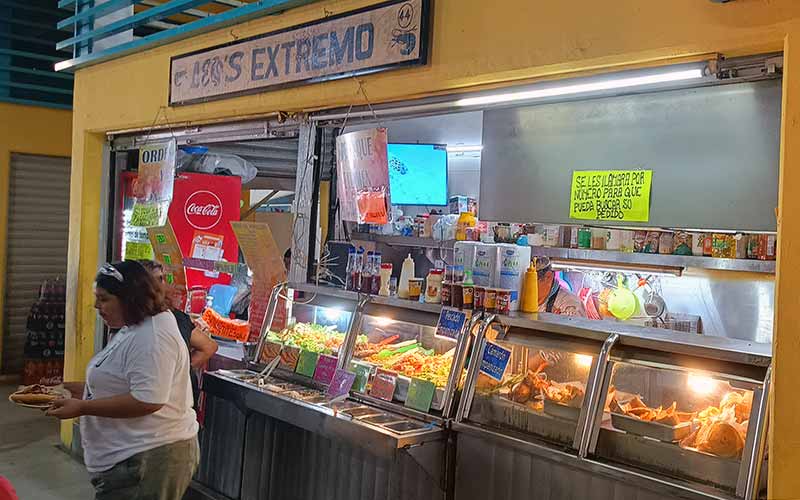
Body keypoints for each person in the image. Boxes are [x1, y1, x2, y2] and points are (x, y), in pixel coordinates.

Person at [47, 261, 199, 500]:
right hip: (128, 462)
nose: (96, 306)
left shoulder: (153, 337)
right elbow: (121, 383)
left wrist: (83, 407)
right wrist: (70, 390)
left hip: (145, 462)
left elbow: (147, 400)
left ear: (129, 298)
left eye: (104, 298)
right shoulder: (133, 326)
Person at [139, 260, 218, 408]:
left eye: (161, 279)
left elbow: (209, 346)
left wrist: (181, 369)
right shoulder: (135, 319)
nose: (161, 285)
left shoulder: (174, 318)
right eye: (156, 280)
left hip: (173, 407)